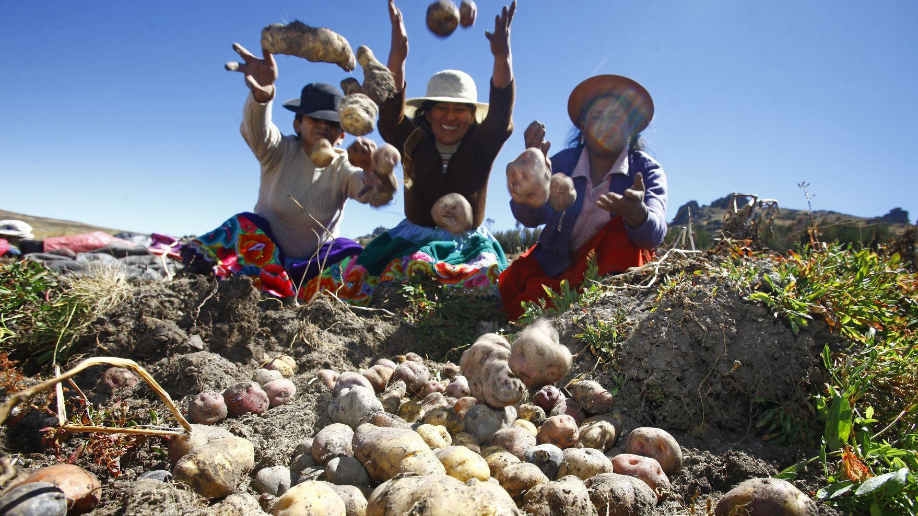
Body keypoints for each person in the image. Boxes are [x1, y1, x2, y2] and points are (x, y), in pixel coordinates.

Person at [333, 0, 517, 304]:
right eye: (441, 108)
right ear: (427, 114)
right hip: (413, 237)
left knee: (480, 289)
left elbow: (499, 116)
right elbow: (391, 115)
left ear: (472, 116)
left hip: (467, 244)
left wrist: (502, 57)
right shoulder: (412, 140)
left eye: (460, 110)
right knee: (380, 284)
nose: (449, 116)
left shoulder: (480, 144)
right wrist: (399, 54)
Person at [181, 43, 397, 301]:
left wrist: (376, 171)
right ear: (297, 123)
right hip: (262, 258)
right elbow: (256, 128)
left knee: (351, 252)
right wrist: (263, 97)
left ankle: (301, 293)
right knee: (243, 226)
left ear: (342, 134)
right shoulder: (278, 150)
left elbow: (372, 194)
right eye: (313, 118)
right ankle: (226, 284)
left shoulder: (342, 166)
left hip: (312, 268)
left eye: (331, 123)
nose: (322, 126)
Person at [499, 75, 668, 320]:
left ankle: (605, 311)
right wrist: (531, 181)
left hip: (610, 270)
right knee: (515, 288)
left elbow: (654, 234)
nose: (605, 126)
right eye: (597, 117)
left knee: (621, 232)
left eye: (615, 118)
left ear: (631, 127)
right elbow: (531, 217)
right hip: (557, 266)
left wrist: (636, 214)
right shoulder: (564, 162)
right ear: (583, 125)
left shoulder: (646, 170)